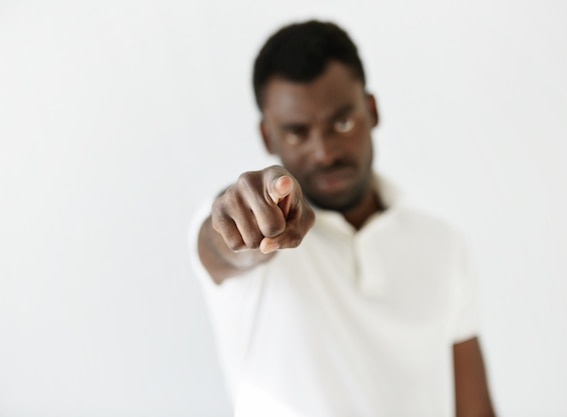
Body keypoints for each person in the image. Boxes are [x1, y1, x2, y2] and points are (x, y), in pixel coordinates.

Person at [190, 20, 496, 417]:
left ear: (371, 110)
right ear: (268, 138)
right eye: (297, 133)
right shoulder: (249, 229)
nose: (324, 152)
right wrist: (243, 221)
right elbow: (223, 245)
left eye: (342, 122)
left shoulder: (442, 243)